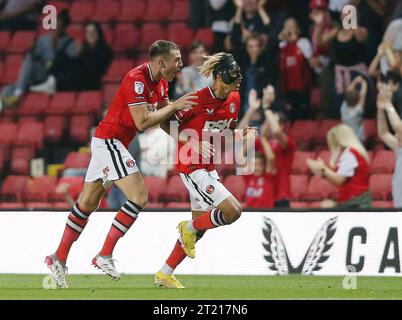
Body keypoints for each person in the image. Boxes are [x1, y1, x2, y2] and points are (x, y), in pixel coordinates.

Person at [44, 40, 198, 289]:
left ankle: (57, 257)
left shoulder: (160, 83)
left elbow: (162, 119)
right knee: (139, 196)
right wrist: (175, 105)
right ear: (162, 62)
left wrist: (184, 138)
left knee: (88, 203)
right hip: (110, 141)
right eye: (177, 60)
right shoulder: (135, 79)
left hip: (112, 143)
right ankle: (104, 254)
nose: (181, 64)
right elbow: (142, 122)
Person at [154, 52, 253, 288]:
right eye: (232, 75)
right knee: (233, 212)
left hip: (208, 167)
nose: (237, 80)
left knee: (202, 226)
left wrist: (238, 135)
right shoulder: (196, 100)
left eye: (239, 75)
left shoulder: (235, 99)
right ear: (218, 77)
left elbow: (223, 134)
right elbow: (165, 122)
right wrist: (191, 141)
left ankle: (164, 273)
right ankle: (186, 228)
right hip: (191, 166)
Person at [0, 9, 75, 110]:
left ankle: (18, 94)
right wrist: (33, 49)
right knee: (8, 88)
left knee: (23, 75)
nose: (56, 27)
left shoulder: (70, 43)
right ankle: (7, 103)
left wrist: (55, 45)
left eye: (59, 25)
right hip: (38, 74)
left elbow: (67, 63)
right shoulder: (43, 39)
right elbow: (35, 56)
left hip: (52, 77)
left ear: (65, 27)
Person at [30, 22, 113, 93]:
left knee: (69, 70)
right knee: (61, 56)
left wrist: (77, 62)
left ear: (98, 34)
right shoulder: (86, 49)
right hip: (79, 76)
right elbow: (80, 63)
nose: (90, 34)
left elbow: (92, 68)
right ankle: (51, 80)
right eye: (88, 32)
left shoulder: (104, 50)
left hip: (90, 81)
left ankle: (51, 82)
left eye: (93, 31)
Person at [307, 124, 371, 208]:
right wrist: (324, 173)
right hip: (354, 199)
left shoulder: (350, 153)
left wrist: (323, 168)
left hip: (356, 201)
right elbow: (339, 183)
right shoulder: (351, 152)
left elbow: (339, 180)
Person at [278, 17, 314, 120]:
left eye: (292, 26)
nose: (289, 29)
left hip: (302, 89)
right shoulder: (281, 45)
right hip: (286, 90)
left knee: (302, 116)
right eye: (286, 26)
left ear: (297, 29)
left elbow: (312, 63)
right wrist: (281, 37)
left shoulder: (303, 42)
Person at [376, 82, 402, 208]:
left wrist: (388, 105)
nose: (396, 134)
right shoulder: (399, 148)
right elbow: (384, 133)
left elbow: (398, 127)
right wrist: (381, 108)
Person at [340, 75, 367, 142]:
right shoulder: (358, 110)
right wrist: (364, 82)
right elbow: (363, 95)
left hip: (346, 137)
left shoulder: (343, 108)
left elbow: (348, 92)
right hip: (358, 139)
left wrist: (355, 80)